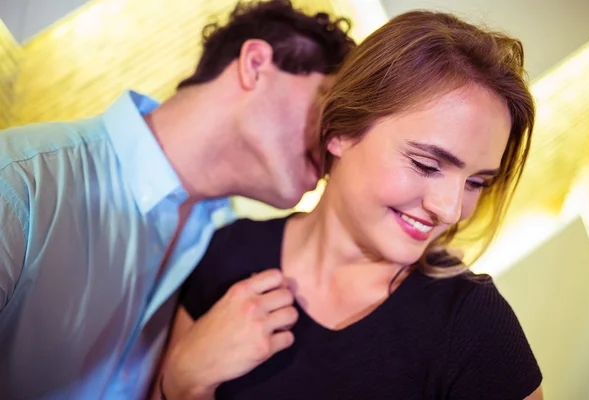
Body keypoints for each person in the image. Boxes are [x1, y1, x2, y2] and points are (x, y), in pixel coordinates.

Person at [159, 9, 544, 400]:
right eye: (426, 165)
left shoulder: (472, 325)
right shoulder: (228, 253)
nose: (449, 209)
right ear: (340, 129)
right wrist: (184, 381)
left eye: (477, 182)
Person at [0, 1, 354, 398]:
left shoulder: (227, 248)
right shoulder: (18, 181)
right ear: (255, 65)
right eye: (329, 104)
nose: (336, 144)